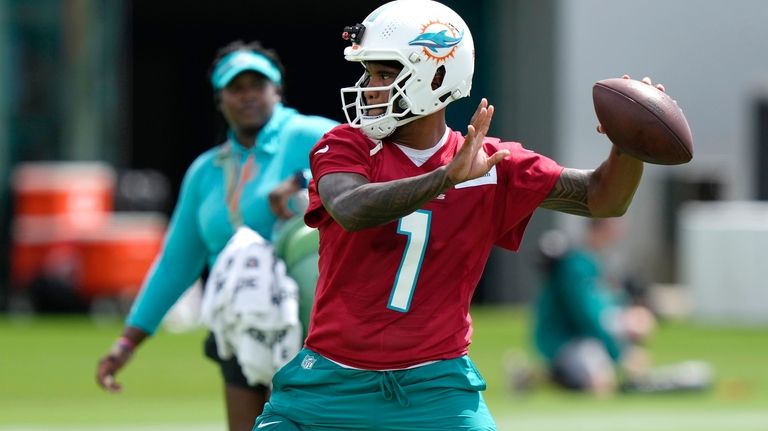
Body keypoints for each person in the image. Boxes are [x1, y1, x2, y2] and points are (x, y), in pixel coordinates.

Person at [253, 1, 665, 429]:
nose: (369, 86)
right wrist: (445, 178)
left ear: (434, 76)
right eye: (367, 73)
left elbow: (603, 198)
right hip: (331, 380)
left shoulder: (491, 163)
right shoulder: (344, 145)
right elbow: (352, 208)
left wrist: (630, 143)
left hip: (438, 386)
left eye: (382, 74)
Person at [95, 40, 338, 431]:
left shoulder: (314, 134)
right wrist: (128, 343)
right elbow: (176, 263)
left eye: (257, 85)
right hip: (238, 321)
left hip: (308, 324)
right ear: (220, 99)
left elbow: (369, 174)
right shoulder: (206, 171)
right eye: (235, 88)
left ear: (277, 90)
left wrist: (303, 183)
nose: (247, 96)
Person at [532, 219, 712, 396]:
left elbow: (610, 307)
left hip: (587, 337)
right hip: (566, 339)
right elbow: (588, 318)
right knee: (601, 386)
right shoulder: (576, 265)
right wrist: (621, 355)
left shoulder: (598, 261)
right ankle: (545, 375)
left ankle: (623, 373)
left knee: (640, 320)